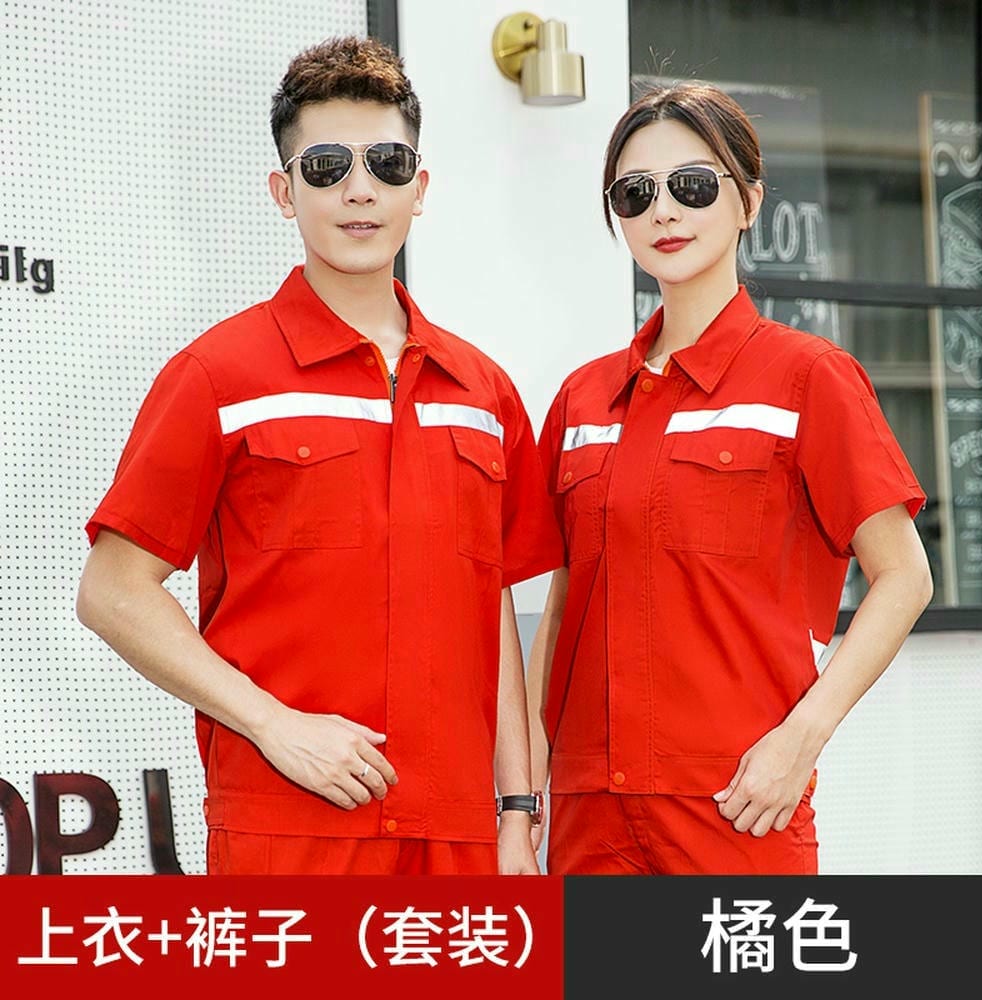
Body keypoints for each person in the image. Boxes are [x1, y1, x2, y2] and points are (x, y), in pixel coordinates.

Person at [76, 35, 563, 876]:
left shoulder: (482, 394)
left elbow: (491, 609)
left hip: (459, 838)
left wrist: (517, 811)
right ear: (284, 192)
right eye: (327, 166)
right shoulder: (219, 376)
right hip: (290, 832)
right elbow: (112, 592)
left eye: (387, 164)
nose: (360, 189)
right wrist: (272, 724)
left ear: (419, 189)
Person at [526, 82, 934, 875]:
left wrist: (801, 739)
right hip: (590, 815)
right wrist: (527, 783)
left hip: (737, 805)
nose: (663, 212)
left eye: (692, 185)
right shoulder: (583, 399)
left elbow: (905, 577)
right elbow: (566, 597)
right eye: (635, 193)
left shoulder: (807, 378)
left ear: (748, 201)